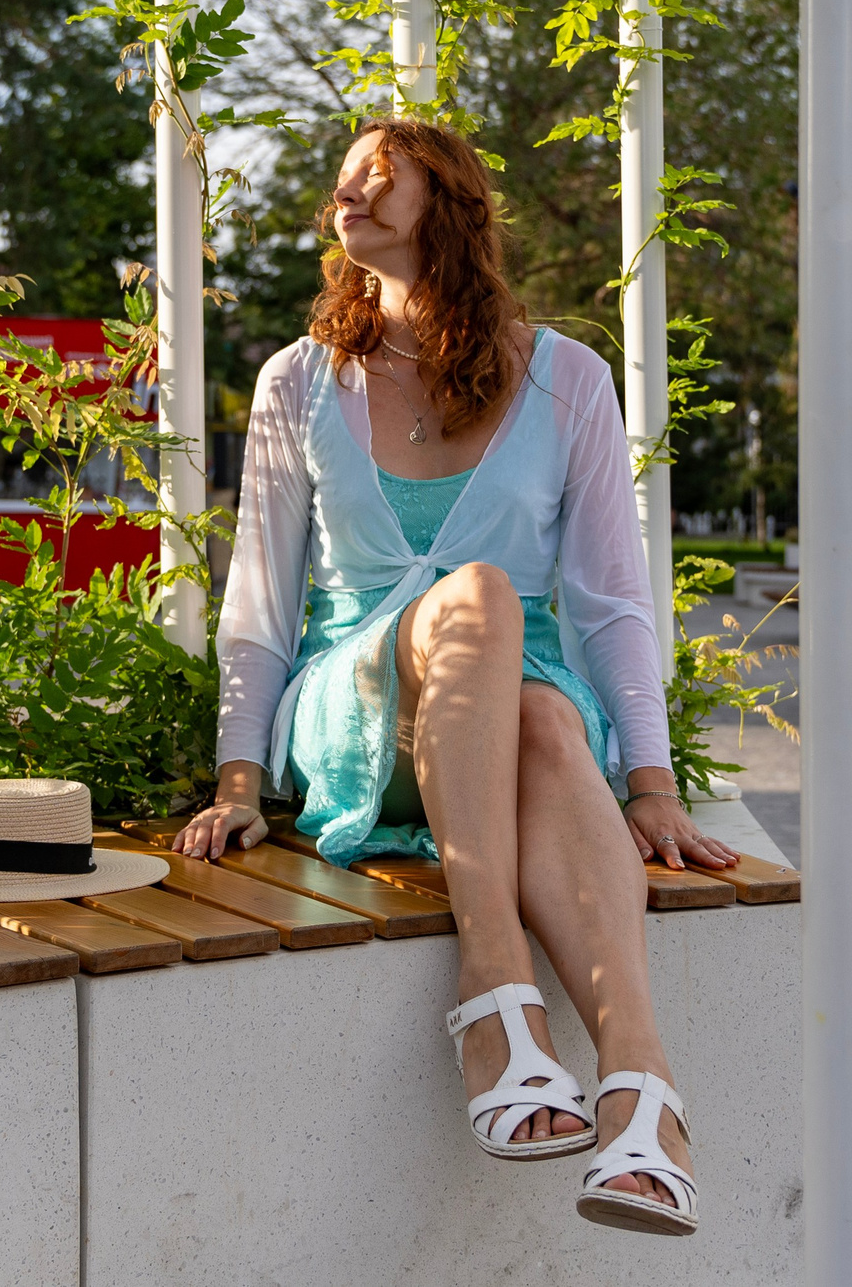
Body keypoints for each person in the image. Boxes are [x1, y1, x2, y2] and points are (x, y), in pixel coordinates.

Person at [177, 117, 723, 1238]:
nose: (352, 192)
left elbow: (613, 601)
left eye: (383, 175)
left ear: (453, 203)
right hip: (350, 709)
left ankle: (637, 1090)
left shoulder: (567, 378)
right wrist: (238, 775)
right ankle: (493, 990)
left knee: (541, 713)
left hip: (516, 719)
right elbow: (260, 603)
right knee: (478, 598)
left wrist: (654, 781)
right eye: (345, 179)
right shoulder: (298, 381)